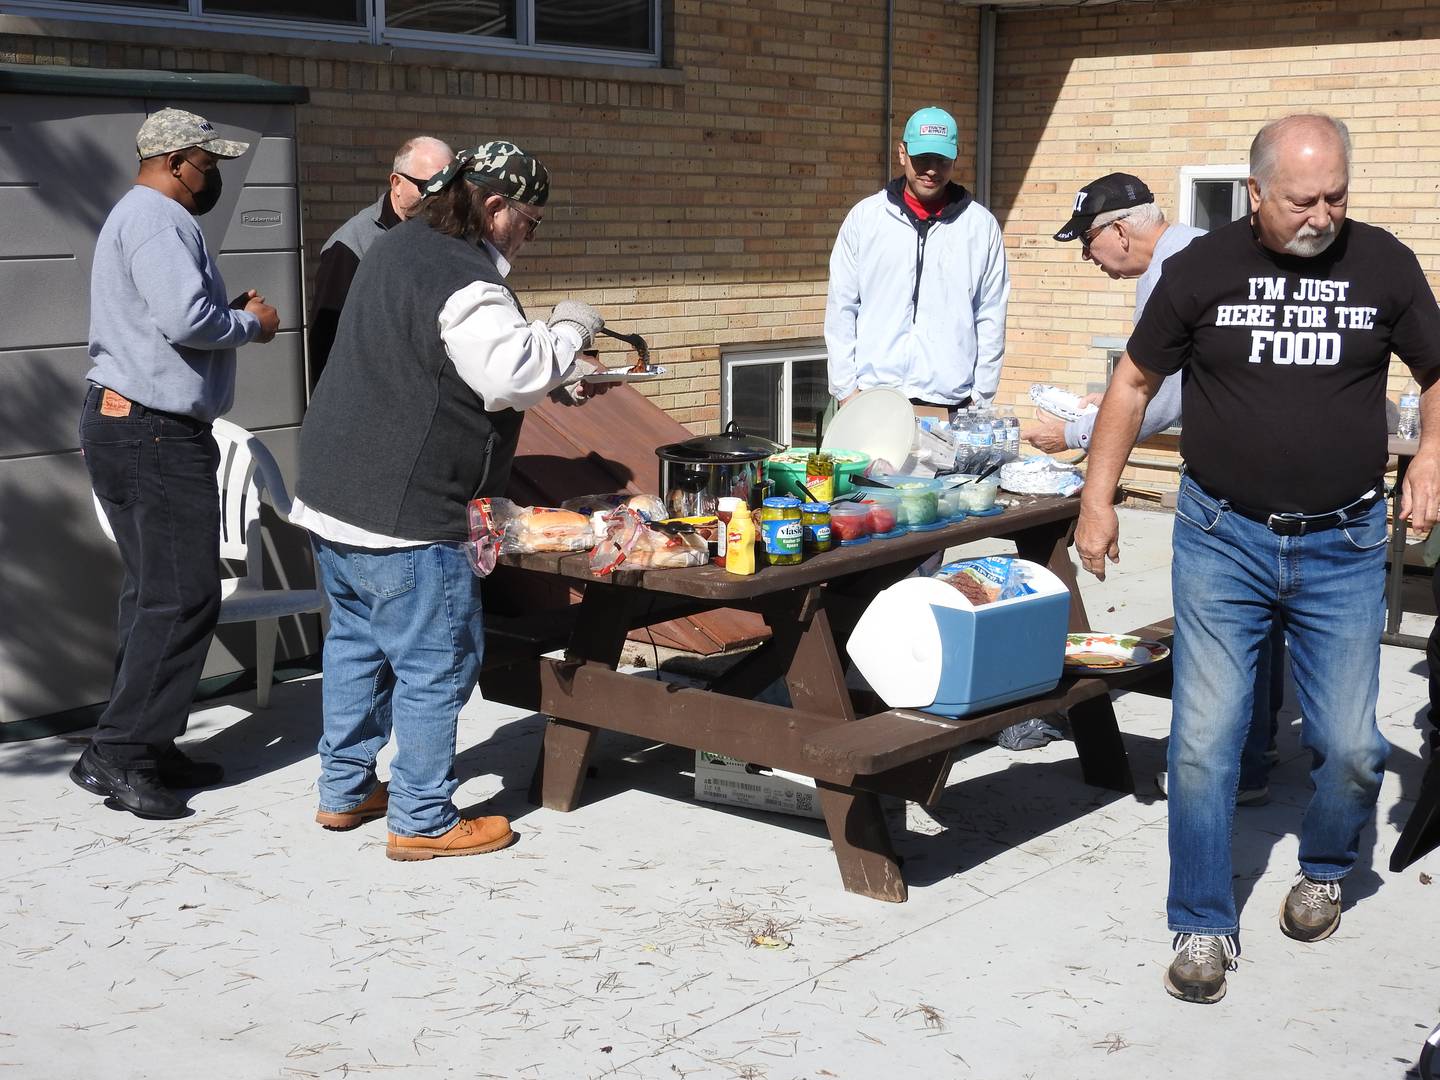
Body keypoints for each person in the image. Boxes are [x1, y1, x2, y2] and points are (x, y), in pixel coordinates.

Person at [1075, 114, 1440, 1005]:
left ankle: (1322, 867)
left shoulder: (1385, 263)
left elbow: (1439, 372)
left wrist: (1429, 455)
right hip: (1220, 539)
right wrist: (1097, 494)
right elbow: (1133, 381)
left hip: (1346, 543)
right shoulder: (1199, 271)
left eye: (1337, 195)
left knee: (1353, 747)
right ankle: (1201, 922)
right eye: (1302, 199)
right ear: (1255, 193)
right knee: (1203, 743)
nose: (1323, 214)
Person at [292, 141, 608, 861]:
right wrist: (569, 330)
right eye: (529, 222)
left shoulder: (400, 245)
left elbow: (435, 362)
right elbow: (506, 371)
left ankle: (345, 792)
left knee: (355, 649)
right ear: (493, 206)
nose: (528, 237)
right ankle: (423, 819)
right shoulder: (464, 279)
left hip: (336, 497)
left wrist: (555, 376)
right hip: (407, 512)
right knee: (436, 662)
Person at [1037, 172, 1280, 803]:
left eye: (1087, 243)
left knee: (1216, 628)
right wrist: (1107, 402)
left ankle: (1226, 769)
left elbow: (1159, 401)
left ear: (1117, 230)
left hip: (1228, 485)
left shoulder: (1170, 269)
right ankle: (1257, 752)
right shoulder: (1213, 247)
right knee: (1266, 621)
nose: (1091, 261)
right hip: (1274, 470)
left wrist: (1073, 428)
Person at [71, 107, 280, 820]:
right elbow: (189, 321)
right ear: (173, 162)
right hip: (150, 432)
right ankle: (121, 753)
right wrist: (251, 324)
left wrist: (223, 311)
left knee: (153, 592)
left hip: (135, 427)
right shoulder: (159, 217)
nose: (211, 176)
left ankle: (142, 745)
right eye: (207, 164)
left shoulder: (140, 216)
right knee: (182, 593)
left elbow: (171, 318)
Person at [825, 106, 1009, 419]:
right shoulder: (866, 219)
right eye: (922, 158)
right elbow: (841, 307)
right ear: (902, 153)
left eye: (942, 160)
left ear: (956, 157)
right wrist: (846, 392)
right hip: (870, 399)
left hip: (951, 405)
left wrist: (980, 398)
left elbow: (991, 315)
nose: (932, 170)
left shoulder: (980, 227)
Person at [306, 135, 455, 385]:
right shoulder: (350, 246)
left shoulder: (445, 234)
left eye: (448, 188)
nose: (439, 198)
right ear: (396, 183)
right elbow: (326, 344)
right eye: (428, 186)